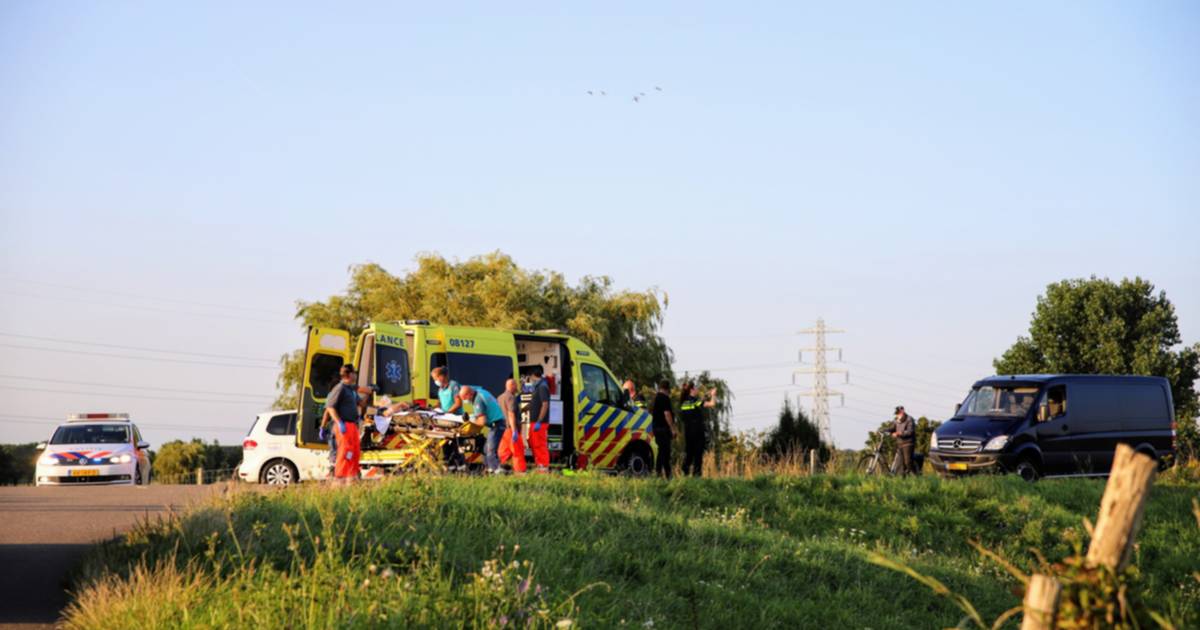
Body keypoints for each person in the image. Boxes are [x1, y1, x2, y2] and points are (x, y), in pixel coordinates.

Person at [325, 365, 366, 481]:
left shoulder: (350, 390)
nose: (356, 375)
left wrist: (371, 393)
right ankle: (340, 479)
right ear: (349, 374)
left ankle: (351, 478)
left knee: (354, 452)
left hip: (353, 425)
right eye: (354, 373)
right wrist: (339, 422)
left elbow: (361, 404)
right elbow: (330, 407)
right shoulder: (340, 388)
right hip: (344, 425)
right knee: (345, 452)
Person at [460, 384, 508, 473]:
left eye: (464, 399)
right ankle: (488, 469)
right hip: (498, 422)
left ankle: (496, 471)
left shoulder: (477, 400)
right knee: (485, 449)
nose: (466, 401)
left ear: (469, 394)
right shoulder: (482, 392)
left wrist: (469, 420)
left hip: (496, 424)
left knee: (490, 450)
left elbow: (482, 422)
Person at [679, 381, 718, 477]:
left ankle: (685, 469)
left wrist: (706, 395)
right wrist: (713, 395)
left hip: (688, 432)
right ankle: (697, 475)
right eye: (695, 388)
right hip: (697, 432)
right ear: (691, 390)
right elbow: (712, 404)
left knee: (689, 453)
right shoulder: (695, 401)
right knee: (698, 454)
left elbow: (698, 402)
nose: (697, 389)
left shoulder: (684, 402)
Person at [496, 378, 526, 474]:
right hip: (510, 429)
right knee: (517, 451)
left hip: (501, 429)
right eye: (516, 385)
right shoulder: (511, 398)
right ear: (512, 386)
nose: (517, 387)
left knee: (503, 452)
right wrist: (514, 431)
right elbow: (511, 414)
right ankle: (520, 472)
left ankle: (502, 470)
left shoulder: (500, 397)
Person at [526, 366, 552, 472]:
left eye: (530, 377)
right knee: (533, 443)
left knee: (539, 445)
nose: (530, 380)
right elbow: (535, 403)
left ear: (533, 375)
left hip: (539, 422)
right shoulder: (538, 387)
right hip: (534, 422)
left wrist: (539, 421)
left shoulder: (542, 387)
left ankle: (543, 466)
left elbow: (545, 404)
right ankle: (539, 465)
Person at [650, 379, 678, 478]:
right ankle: (660, 473)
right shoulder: (664, 398)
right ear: (667, 389)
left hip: (656, 428)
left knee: (663, 451)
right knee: (664, 452)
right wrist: (673, 429)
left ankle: (667, 474)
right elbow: (667, 414)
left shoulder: (655, 398)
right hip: (663, 429)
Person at [890, 405, 916, 476]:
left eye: (898, 413)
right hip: (900, 443)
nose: (897, 415)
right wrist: (883, 430)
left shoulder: (910, 419)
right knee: (900, 464)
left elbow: (910, 431)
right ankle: (902, 480)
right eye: (896, 414)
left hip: (908, 443)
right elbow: (892, 428)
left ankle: (916, 476)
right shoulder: (896, 420)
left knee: (907, 462)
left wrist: (899, 433)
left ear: (902, 411)